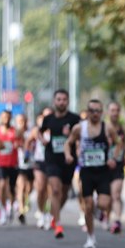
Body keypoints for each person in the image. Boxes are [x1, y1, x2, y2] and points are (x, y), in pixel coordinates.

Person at [65, 99, 122, 248]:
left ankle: (97, 212)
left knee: (103, 204)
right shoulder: (79, 128)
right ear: (87, 112)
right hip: (87, 171)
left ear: (102, 112)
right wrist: (68, 155)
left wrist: (113, 158)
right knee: (88, 205)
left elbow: (119, 143)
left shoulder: (107, 127)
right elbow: (68, 143)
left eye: (98, 111)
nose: (95, 114)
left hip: (103, 171)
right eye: (92, 111)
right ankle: (90, 237)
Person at [38, 89, 81, 239]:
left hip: (68, 160)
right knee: (55, 190)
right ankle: (58, 224)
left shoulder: (74, 118)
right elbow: (40, 131)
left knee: (64, 192)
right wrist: (43, 140)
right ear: (54, 101)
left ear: (68, 101)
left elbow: (81, 136)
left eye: (64, 99)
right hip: (52, 159)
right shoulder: (48, 119)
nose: (61, 102)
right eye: (59, 99)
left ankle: (53, 214)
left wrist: (71, 136)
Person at [0, 110, 22, 225]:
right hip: (1, 163)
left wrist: (18, 144)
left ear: (11, 118)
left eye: (8, 117)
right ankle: (3, 209)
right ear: (1, 118)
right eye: (4, 117)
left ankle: (10, 206)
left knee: (11, 187)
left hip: (13, 163)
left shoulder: (15, 131)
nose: (6, 119)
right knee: (2, 185)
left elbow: (21, 143)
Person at [31, 107, 53, 229]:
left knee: (51, 189)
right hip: (39, 161)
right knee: (40, 188)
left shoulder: (56, 128)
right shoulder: (37, 130)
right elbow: (28, 142)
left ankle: (48, 213)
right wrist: (28, 153)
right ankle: (41, 212)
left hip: (52, 161)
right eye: (45, 116)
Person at [106, 101, 125, 234]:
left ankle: (117, 221)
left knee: (116, 195)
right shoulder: (103, 128)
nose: (115, 113)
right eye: (112, 110)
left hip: (118, 166)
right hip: (104, 167)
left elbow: (124, 146)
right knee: (106, 198)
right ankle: (106, 216)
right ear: (108, 112)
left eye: (117, 110)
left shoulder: (122, 129)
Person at [15, 113, 34, 224]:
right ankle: (21, 210)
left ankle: (26, 199)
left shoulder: (31, 132)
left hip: (31, 164)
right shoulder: (16, 133)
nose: (21, 123)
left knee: (29, 188)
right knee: (21, 186)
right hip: (20, 164)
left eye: (23, 121)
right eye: (19, 121)